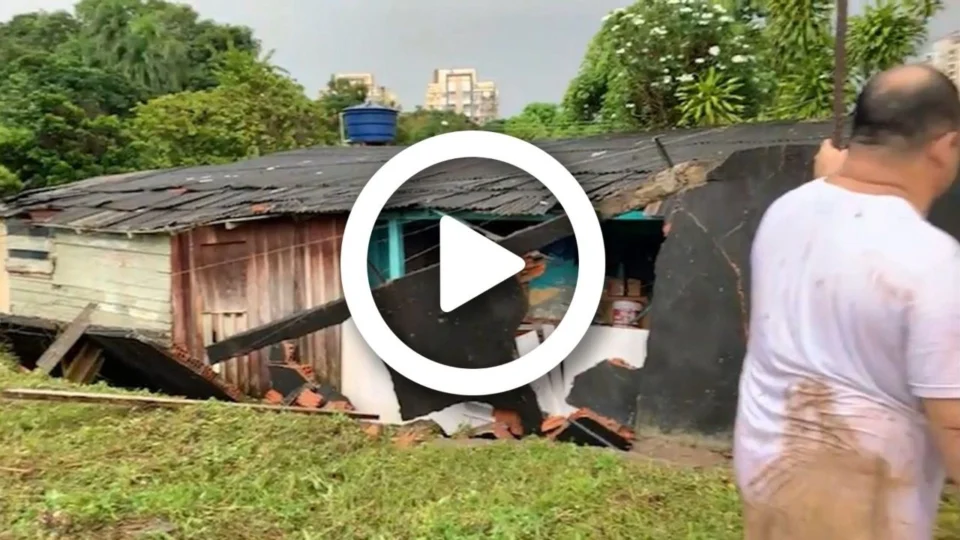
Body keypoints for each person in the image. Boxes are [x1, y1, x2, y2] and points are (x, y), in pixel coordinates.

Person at [734, 63, 960, 539]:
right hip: (862, 511)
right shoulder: (935, 263)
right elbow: (953, 426)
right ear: (946, 147)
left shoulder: (785, 212)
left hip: (768, 484)